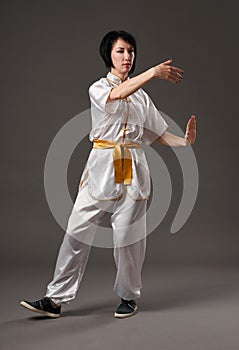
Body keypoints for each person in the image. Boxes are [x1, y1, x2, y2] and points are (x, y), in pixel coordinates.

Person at [20, 30, 196, 319]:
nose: (128, 57)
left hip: (134, 170)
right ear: (109, 56)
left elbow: (159, 133)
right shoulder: (99, 88)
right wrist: (153, 72)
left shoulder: (141, 97)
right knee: (76, 233)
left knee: (128, 239)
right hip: (102, 167)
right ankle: (55, 299)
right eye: (121, 51)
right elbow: (117, 94)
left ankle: (128, 297)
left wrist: (184, 142)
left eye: (131, 51)